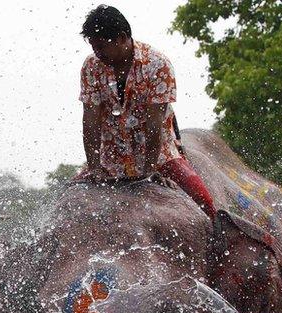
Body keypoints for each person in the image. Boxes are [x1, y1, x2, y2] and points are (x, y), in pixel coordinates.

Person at [78, 5, 215, 218]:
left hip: (158, 156)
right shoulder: (91, 67)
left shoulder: (157, 65)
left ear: (122, 38)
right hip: (111, 159)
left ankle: (219, 244)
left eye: (102, 46)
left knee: (204, 200)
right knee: (67, 203)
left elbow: (155, 124)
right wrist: (95, 167)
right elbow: (90, 121)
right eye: (93, 46)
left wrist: (150, 171)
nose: (97, 53)